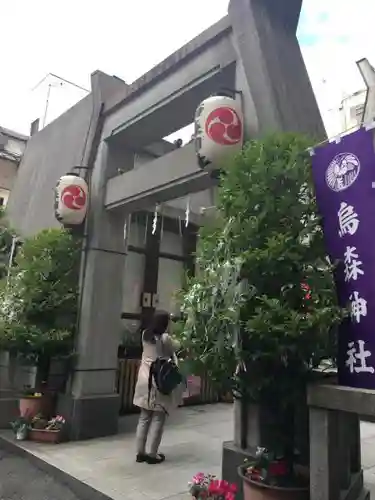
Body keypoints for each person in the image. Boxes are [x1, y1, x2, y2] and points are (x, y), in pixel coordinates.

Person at [133, 311, 182, 464]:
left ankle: (140, 453)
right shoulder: (165, 338)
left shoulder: (145, 335)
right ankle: (152, 454)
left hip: (144, 378)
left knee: (144, 417)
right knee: (158, 418)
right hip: (159, 379)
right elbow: (177, 346)